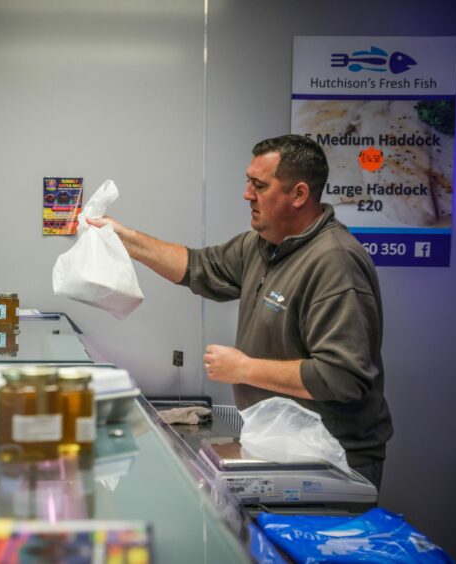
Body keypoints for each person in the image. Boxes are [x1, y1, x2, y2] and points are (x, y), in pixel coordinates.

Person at [89, 134, 393, 488]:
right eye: (248, 182)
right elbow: (199, 267)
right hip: (284, 447)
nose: (247, 194)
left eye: (259, 185)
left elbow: (342, 377)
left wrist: (244, 369)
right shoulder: (264, 245)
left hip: (332, 460)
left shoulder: (335, 262)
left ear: (298, 194)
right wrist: (123, 238)